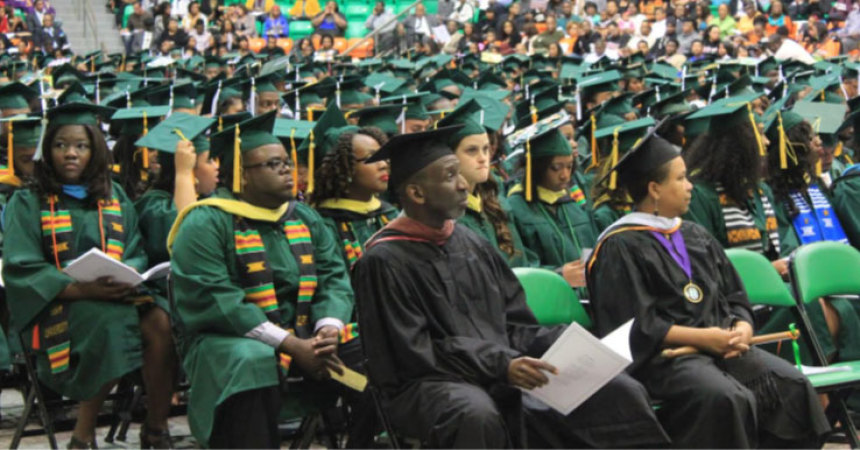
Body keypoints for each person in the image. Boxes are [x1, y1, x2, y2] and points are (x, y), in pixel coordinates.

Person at [352, 126, 670, 449]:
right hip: (427, 383)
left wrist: (567, 346)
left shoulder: (471, 242)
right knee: (476, 413)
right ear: (417, 194)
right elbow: (415, 353)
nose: (464, 184)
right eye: (451, 176)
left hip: (499, 367)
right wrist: (501, 364)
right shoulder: (383, 261)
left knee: (614, 389)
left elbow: (516, 324)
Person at [586, 129, 831, 449]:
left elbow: (734, 296)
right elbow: (636, 326)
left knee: (793, 386)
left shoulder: (694, 235)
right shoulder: (619, 246)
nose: (690, 187)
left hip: (722, 350)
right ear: (654, 189)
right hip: (667, 361)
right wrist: (704, 338)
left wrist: (742, 326)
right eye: (681, 179)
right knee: (725, 397)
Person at [168, 111, 356, 448]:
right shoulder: (206, 222)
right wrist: (291, 345)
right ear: (240, 175)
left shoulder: (305, 216)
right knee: (251, 359)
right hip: (226, 339)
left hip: (306, 335)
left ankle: (369, 438)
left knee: (375, 349)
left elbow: (333, 277)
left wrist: (327, 329)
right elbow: (217, 300)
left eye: (286, 161)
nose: (287, 169)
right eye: (272, 164)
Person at [2, 103, 176, 449]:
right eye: (61, 145)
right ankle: (83, 434)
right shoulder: (29, 201)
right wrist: (80, 289)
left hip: (114, 296)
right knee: (108, 323)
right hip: (58, 305)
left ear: (94, 150)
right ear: (47, 151)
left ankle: (156, 427)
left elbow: (134, 248)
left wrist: (126, 275)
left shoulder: (114, 196)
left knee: (162, 323)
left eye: (81, 146)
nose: (70, 154)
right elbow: (22, 266)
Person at [440, 102, 538, 268]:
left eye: (485, 149)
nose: (483, 158)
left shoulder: (496, 205)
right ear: (449, 157)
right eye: (472, 150)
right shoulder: (445, 219)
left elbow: (524, 263)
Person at [508, 122, 598, 288]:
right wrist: (558, 274)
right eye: (556, 168)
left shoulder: (572, 204)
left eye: (569, 167)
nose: (565, 176)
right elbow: (519, 266)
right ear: (537, 168)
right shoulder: (515, 208)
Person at [309, 119, 398, 270]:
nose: (383, 164)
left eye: (383, 156)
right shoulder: (324, 225)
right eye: (372, 158)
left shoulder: (390, 215)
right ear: (343, 167)